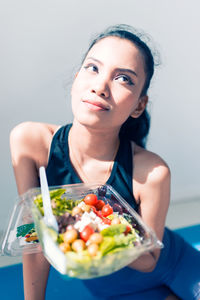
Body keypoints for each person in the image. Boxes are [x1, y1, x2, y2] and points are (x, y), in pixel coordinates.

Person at [10, 24, 200, 300]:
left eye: (124, 79)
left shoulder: (152, 171)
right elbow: (33, 237)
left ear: (138, 105)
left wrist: (90, 223)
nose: (100, 86)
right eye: (93, 68)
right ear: (76, 79)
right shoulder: (30, 141)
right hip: (113, 291)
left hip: (176, 265)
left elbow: (149, 260)